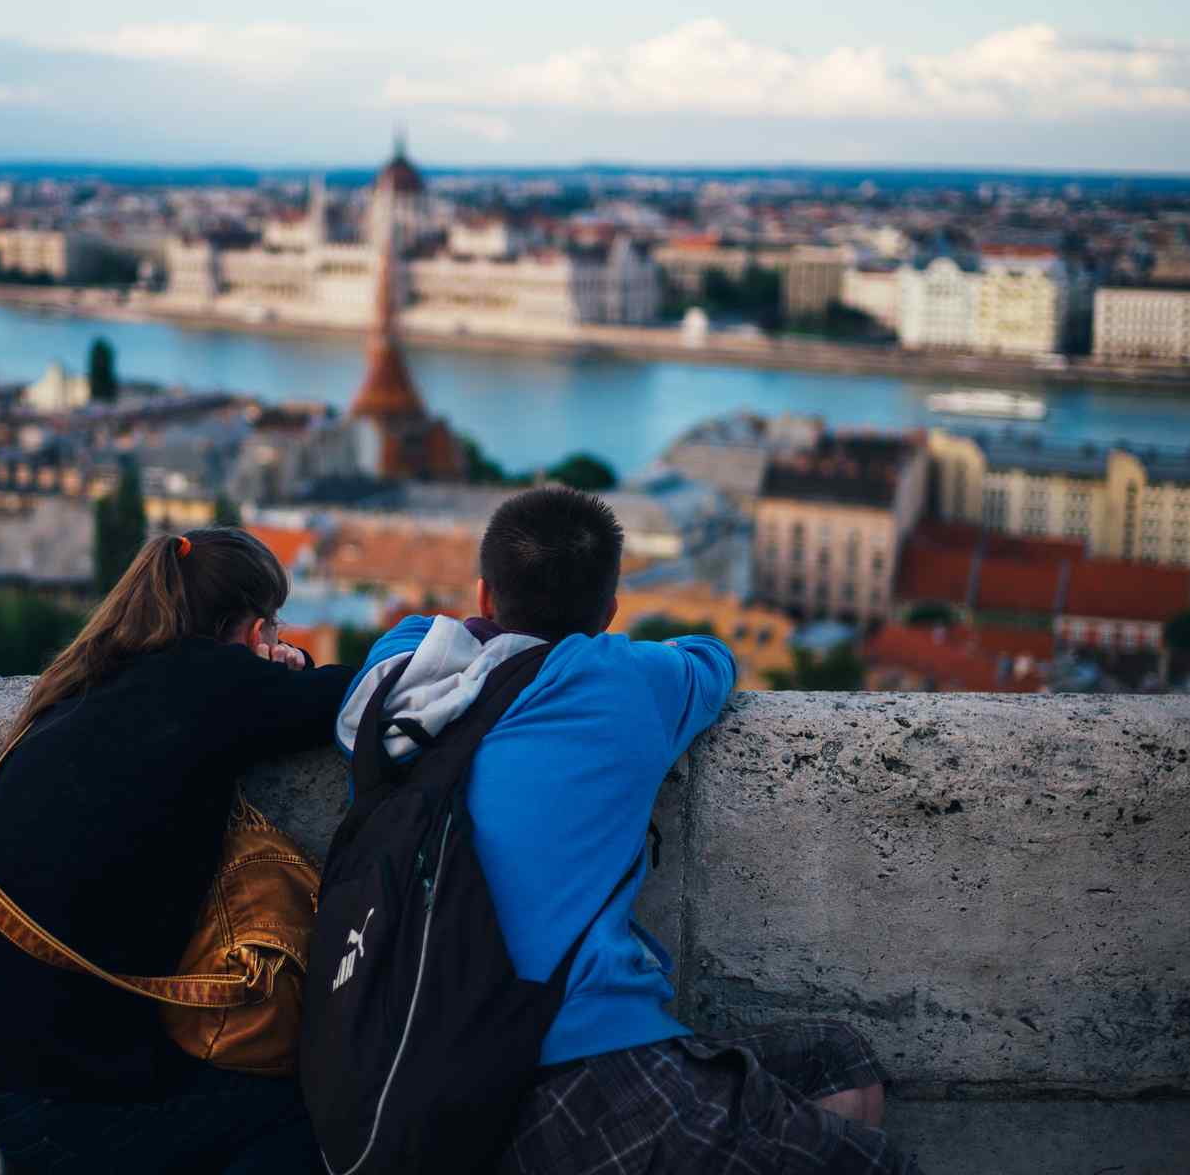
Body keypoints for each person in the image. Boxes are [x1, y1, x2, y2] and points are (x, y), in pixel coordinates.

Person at [334, 487, 923, 1173]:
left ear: (485, 596)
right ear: (609, 611)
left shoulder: (391, 680)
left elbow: (421, 631)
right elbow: (712, 658)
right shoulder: (622, 680)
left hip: (404, 1073)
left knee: (831, 1059)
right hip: (569, 1066)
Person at [0, 527, 354, 1174]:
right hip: (56, 1102)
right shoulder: (215, 685)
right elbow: (354, 695)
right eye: (270, 630)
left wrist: (260, 670)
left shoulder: (94, 678)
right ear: (252, 629)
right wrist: (280, 669)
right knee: (308, 1112)